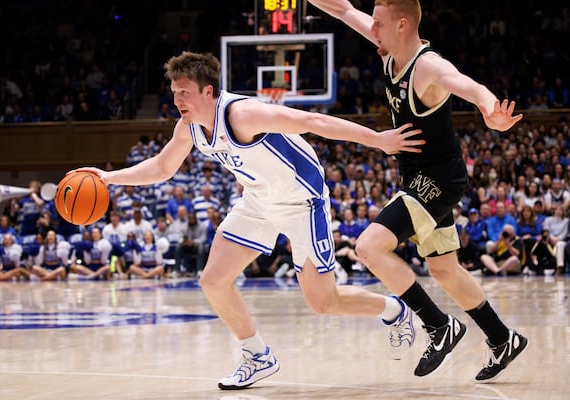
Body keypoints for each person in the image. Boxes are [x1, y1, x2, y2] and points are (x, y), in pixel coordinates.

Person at [72, 51, 424, 390]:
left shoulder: (243, 114)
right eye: (174, 92)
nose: (177, 99)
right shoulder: (189, 126)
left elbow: (313, 122)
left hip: (303, 201)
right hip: (258, 201)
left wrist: (378, 140)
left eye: (184, 92)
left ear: (208, 91)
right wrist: (108, 178)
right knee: (212, 281)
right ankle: (256, 355)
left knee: (323, 303)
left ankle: (393, 308)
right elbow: (163, 168)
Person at [309, 0, 527, 382]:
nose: (371, 28)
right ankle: (501, 338)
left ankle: (438, 326)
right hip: (418, 178)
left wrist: (491, 108)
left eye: (378, 23)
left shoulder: (427, 66)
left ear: (402, 24)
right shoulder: (388, 50)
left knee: (368, 247)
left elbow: (466, 84)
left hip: (438, 179)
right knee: (443, 268)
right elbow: (344, 9)